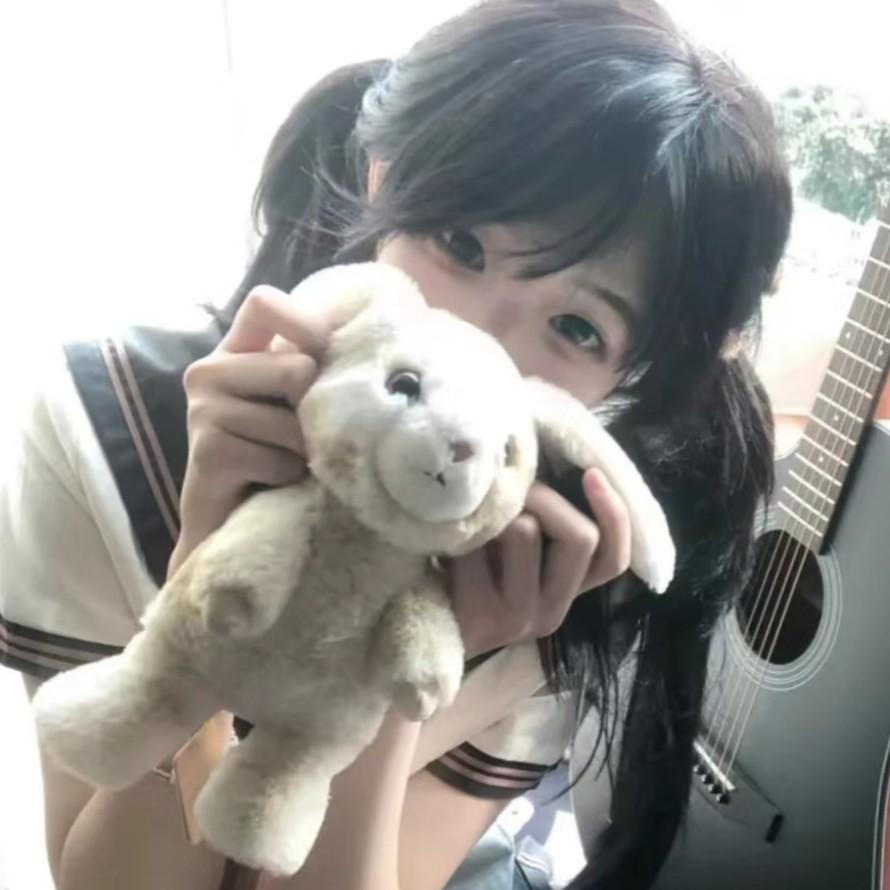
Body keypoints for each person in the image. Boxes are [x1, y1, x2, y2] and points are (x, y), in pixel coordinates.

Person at [0, 1, 792, 889]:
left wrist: (396, 678)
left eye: (577, 328)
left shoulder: (561, 566)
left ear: (626, 385)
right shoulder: (102, 423)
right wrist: (198, 577)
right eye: (461, 244)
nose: (475, 340)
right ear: (384, 177)